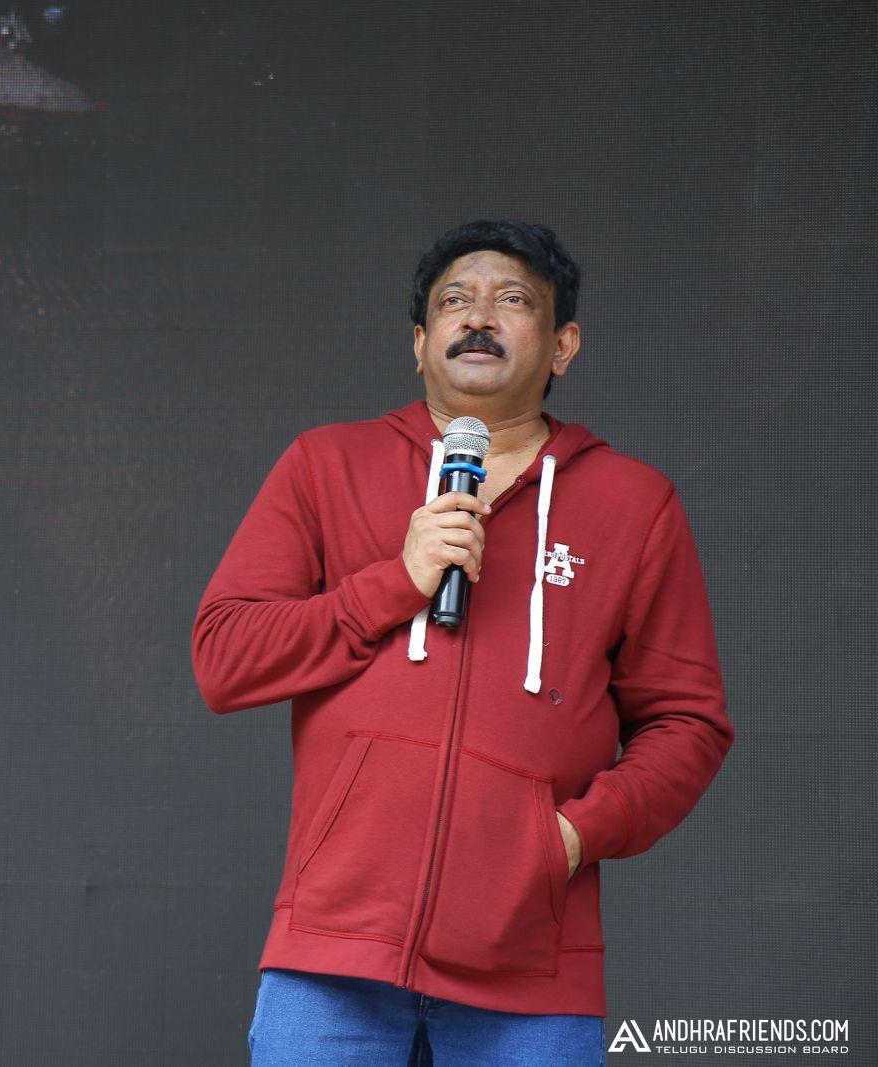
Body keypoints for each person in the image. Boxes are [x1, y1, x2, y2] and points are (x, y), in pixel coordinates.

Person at [191, 220, 733, 1066]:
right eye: (454, 301)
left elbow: (688, 722)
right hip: (332, 953)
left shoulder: (635, 504)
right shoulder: (327, 464)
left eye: (512, 299)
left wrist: (573, 835)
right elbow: (224, 657)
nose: (479, 316)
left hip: (530, 972)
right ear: (419, 344)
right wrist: (395, 581)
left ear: (563, 345)